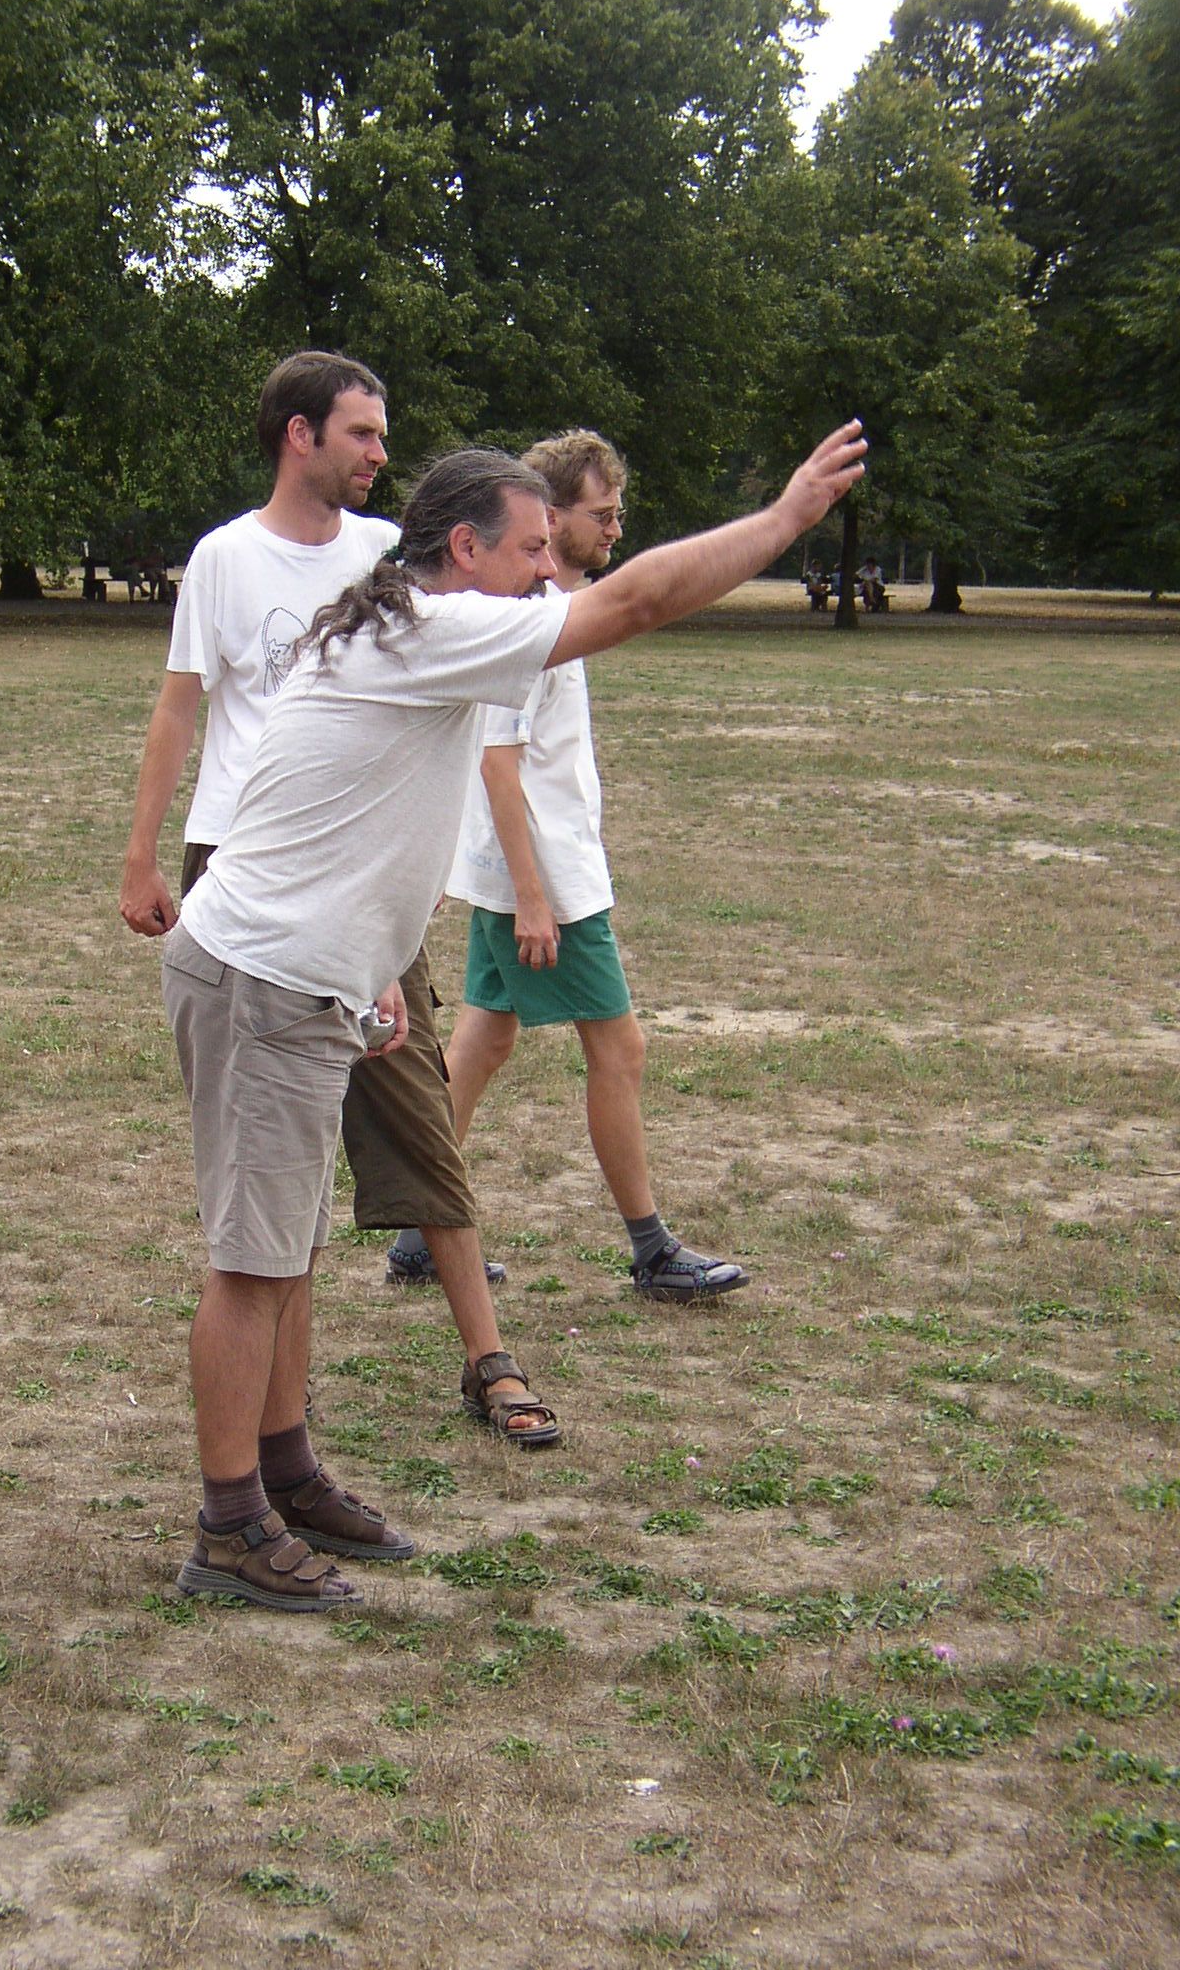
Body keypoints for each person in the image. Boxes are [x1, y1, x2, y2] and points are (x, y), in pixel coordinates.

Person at [156, 420, 866, 1611]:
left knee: (287, 1254)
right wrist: (786, 519)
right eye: (533, 549)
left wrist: (373, 968)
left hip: (305, 976)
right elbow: (635, 602)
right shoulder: (428, 630)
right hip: (261, 979)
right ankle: (229, 1526)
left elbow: (337, 812)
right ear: (465, 549)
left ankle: (286, 1473)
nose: (550, 571)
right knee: (252, 1263)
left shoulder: (402, 629)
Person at [121, 352, 559, 1468]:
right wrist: (142, 855)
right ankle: (264, 1452)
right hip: (254, 872)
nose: (379, 452)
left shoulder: (388, 560)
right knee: (276, 1198)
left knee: (411, 1119)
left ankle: (483, 1356)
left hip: (360, 888)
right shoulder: (226, 558)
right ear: (297, 434)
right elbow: (179, 709)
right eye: (361, 432)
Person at [419, 431, 748, 1304]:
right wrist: (533, 898)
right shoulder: (526, 621)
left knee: (485, 1040)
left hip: (523, 872)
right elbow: (497, 762)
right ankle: (652, 1250)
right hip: (543, 880)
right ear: (552, 514)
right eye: (601, 514)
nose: (615, 529)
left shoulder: (558, 609)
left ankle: (417, 1227)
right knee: (619, 1047)